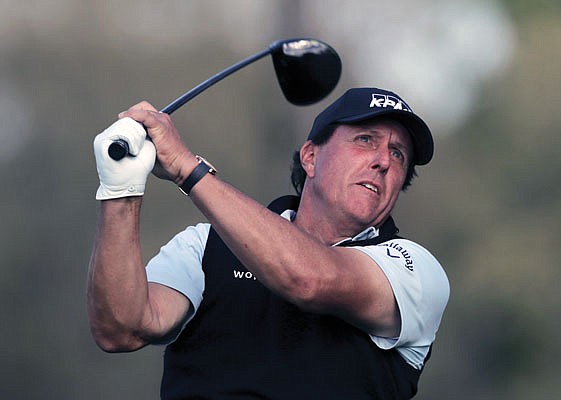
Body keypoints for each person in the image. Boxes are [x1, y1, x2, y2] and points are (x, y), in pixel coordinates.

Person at [88, 87, 450, 399]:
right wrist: (121, 189)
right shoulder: (206, 243)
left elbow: (308, 278)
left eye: (398, 154)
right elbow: (123, 328)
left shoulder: (413, 269)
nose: (383, 161)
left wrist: (187, 167)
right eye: (365, 140)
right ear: (311, 156)